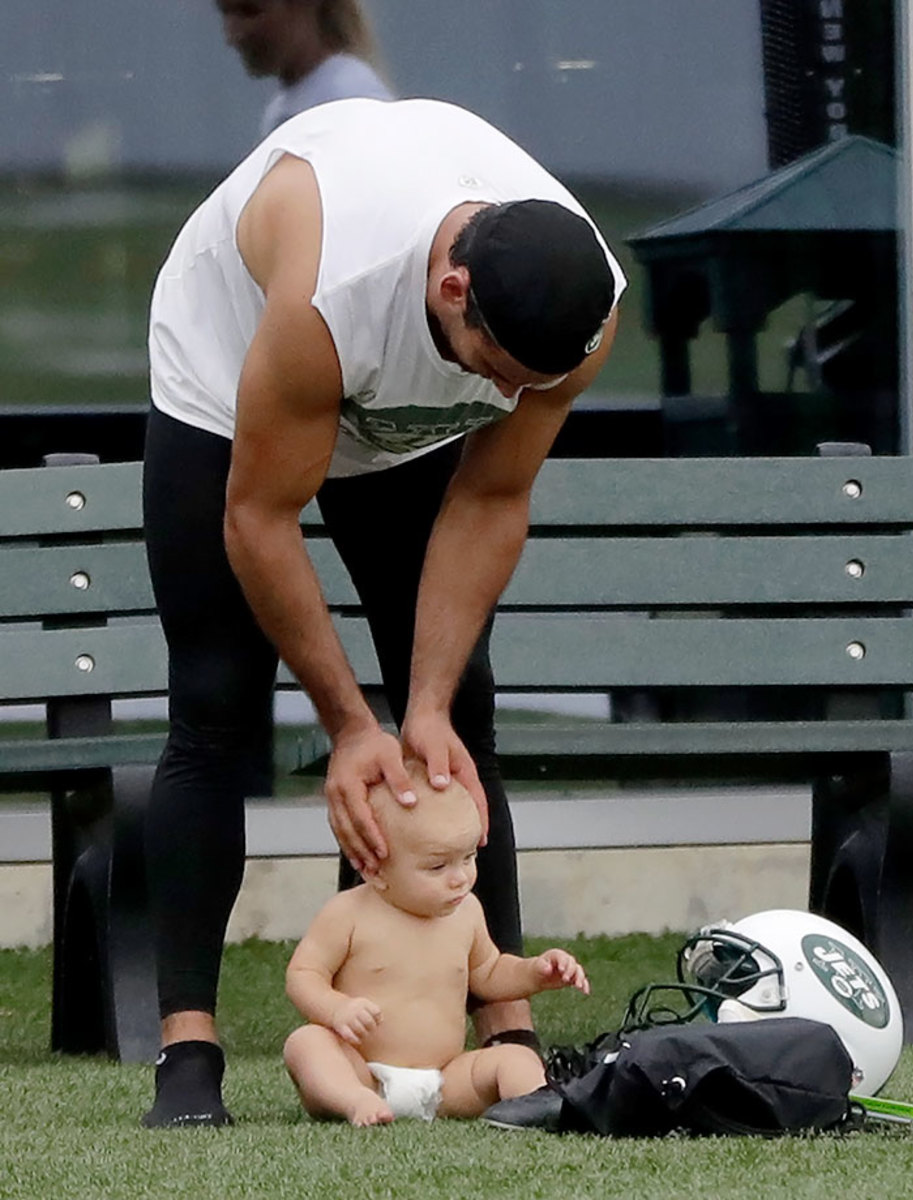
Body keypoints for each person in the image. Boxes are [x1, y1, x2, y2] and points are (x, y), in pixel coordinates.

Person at [140, 95, 625, 1128]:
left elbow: (491, 496)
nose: (507, 394)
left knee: (458, 717)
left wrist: (423, 702)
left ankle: (505, 1037)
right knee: (215, 703)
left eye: (523, 385)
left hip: (398, 413)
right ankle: (188, 1054)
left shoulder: (578, 315)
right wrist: (349, 725)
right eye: (494, 369)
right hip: (234, 373)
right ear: (454, 288)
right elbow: (261, 519)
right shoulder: (331, 283)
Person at [283, 763, 589, 1125]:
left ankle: (539, 1107)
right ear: (376, 870)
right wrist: (335, 1009)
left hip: (445, 1080)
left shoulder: (467, 912)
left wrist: (535, 973)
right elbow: (303, 974)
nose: (460, 878)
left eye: (469, 858)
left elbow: (489, 973)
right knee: (306, 1043)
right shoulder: (347, 913)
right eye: (437, 867)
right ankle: (353, 1102)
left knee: (515, 1057)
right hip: (362, 1070)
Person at [215, 0, 394, 137]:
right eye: (226, 13)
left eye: (250, 11)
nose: (233, 35)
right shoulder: (281, 109)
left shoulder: (350, 98)